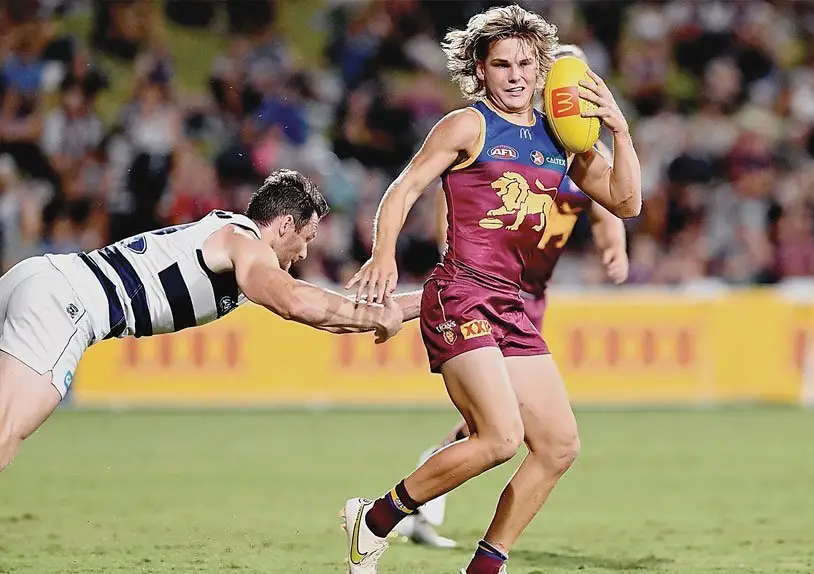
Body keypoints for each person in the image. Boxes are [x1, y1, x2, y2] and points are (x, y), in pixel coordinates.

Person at [341, 5, 642, 574]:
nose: (516, 75)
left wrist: (620, 131)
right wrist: (383, 253)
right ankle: (376, 518)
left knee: (557, 446)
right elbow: (403, 190)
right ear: (481, 70)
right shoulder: (468, 126)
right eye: (502, 64)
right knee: (500, 438)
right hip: (461, 292)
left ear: (541, 68)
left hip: (514, 302)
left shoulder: (564, 138)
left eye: (526, 63)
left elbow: (626, 203)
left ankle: (483, 567)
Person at [0, 169, 417, 472]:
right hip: (65, 306)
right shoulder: (245, 244)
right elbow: (296, 302)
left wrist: (423, 303)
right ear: (286, 225)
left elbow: (330, 320)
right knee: (6, 433)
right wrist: (378, 316)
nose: (305, 254)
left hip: (39, 276)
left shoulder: (229, 238)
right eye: (306, 239)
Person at [396, 43, 629, 549]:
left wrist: (616, 241)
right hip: (478, 290)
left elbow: (614, 202)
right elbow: (449, 206)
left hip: (526, 297)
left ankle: (436, 514)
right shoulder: (490, 135)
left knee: (531, 433)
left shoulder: (570, 144)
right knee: (498, 428)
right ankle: (413, 504)